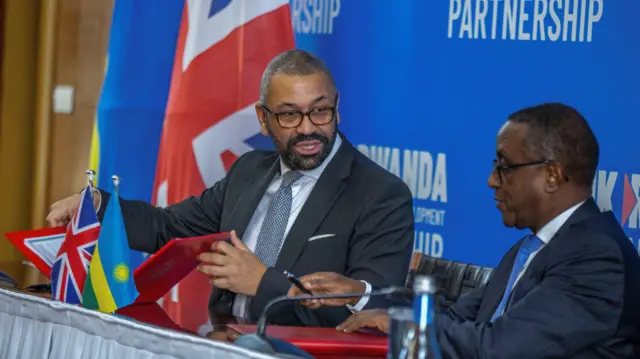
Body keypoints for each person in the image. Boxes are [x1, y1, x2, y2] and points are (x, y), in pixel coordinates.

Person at [46, 49, 415, 327]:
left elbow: (370, 311)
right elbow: (168, 228)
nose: (307, 129)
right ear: (263, 118)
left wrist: (263, 282)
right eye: (289, 114)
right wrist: (96, 205)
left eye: (320, 111)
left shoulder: (380, 194)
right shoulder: (249, 171)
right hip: (221, 341)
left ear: (337, 108)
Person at [289, 103, 640, 358]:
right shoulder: (533, 248)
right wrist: (362, 296)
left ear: (551, 175)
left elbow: (500, 348)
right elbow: (455, 318)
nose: (491, 181)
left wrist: (402, 327)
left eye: (504, 167)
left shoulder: (597, 256)